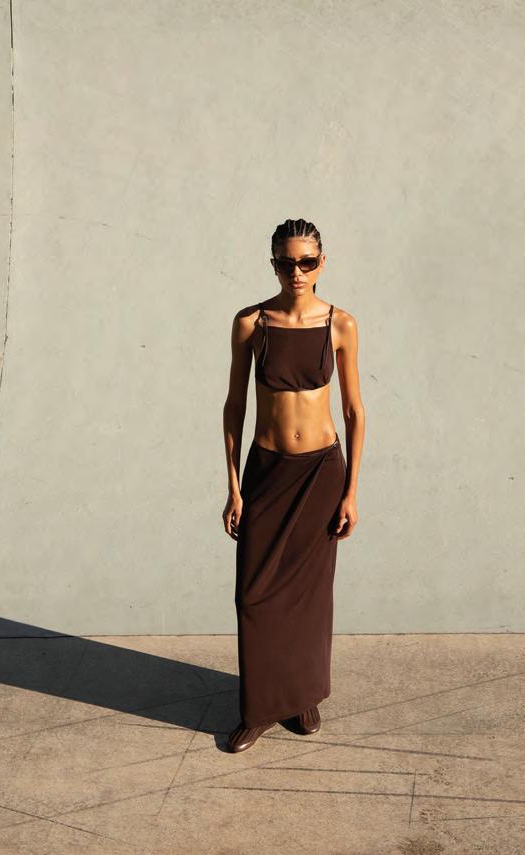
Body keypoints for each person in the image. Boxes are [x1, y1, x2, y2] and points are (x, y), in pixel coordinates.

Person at [222, 218, 365, 753]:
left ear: (321, 262)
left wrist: (351, 491)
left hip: (321, 474)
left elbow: (354, 411)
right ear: (274, 264)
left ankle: (302, 697)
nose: (297, 272)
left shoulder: (340, 324)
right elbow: (234, 406)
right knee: (255, 595)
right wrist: (233, 485)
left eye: (306, 262)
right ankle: (259, 707)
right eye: (286, 263)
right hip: (268, 470)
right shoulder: (251, 323)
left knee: (309, 596)